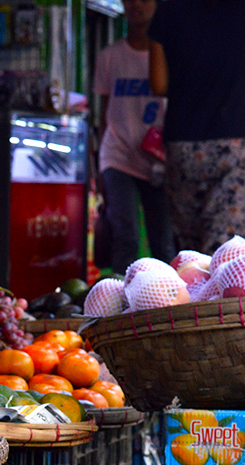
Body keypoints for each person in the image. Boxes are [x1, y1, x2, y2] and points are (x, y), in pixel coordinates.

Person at [149, 0, 245, 254]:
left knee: (192, 258)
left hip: (183, 145)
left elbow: (158, 83)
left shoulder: (168, 10)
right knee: (228, 254)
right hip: (236, 145)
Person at [93, 0, 174, 274]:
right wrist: (98, 168)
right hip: (117, 156)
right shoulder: (109, 56)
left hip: (159, 159)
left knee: (162, 242)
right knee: (124, 236)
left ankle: (167, 305)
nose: (135, 4)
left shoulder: (170, 55)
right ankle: (120, 306)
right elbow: (103, 114)